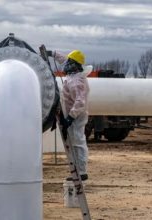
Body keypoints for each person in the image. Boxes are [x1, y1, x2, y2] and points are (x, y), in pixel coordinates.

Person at [57, 50, 91, 181]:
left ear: (76, 65)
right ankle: (75, 171)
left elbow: (80, 102)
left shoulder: (78, 81)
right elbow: (64, 59)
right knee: (72, 142)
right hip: (70, 114)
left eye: (70, 62)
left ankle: (82, 172)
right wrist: (52, 53)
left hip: (77, 116)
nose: (67, 64)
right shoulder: (73, 75)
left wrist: (70, 117)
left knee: (78, 142)